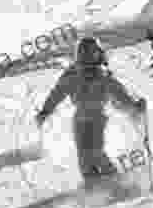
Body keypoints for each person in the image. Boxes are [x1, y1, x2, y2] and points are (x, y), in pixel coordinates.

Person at [35, 36, 146, 186]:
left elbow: (119, 92)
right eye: (84, 53)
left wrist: (134, 105)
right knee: (83, 155)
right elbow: (57, 93)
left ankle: (114, 180)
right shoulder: (72, 74)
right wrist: (45, 111)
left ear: (97, 53)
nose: (87, 57)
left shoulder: (102, 74)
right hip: (80, 119)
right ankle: (93, 184)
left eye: (91, 53)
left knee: (96, 152)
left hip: (97, 118)